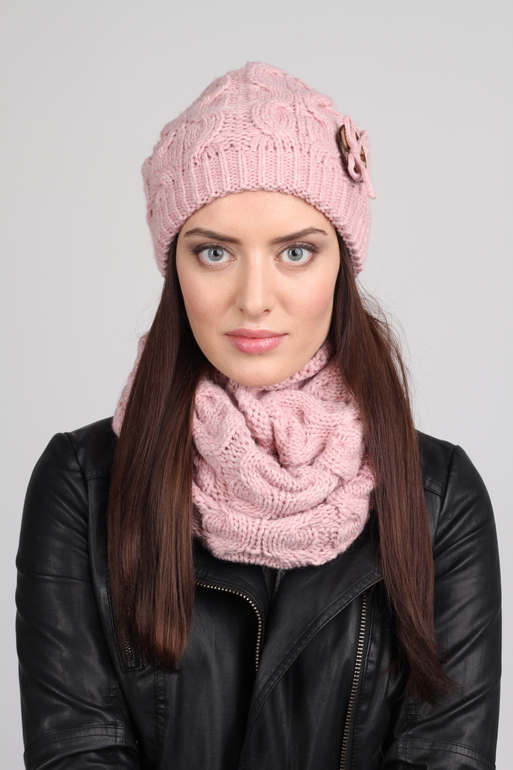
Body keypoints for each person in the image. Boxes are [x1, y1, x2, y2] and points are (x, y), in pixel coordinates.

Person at [16, 62, 501, 770]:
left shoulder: (440, 496)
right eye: (214, 252)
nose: (253, 298)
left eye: (296, 252)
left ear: (341, 265)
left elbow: (444, 755)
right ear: (175, 267)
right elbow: (78, 752)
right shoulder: (82, 485)